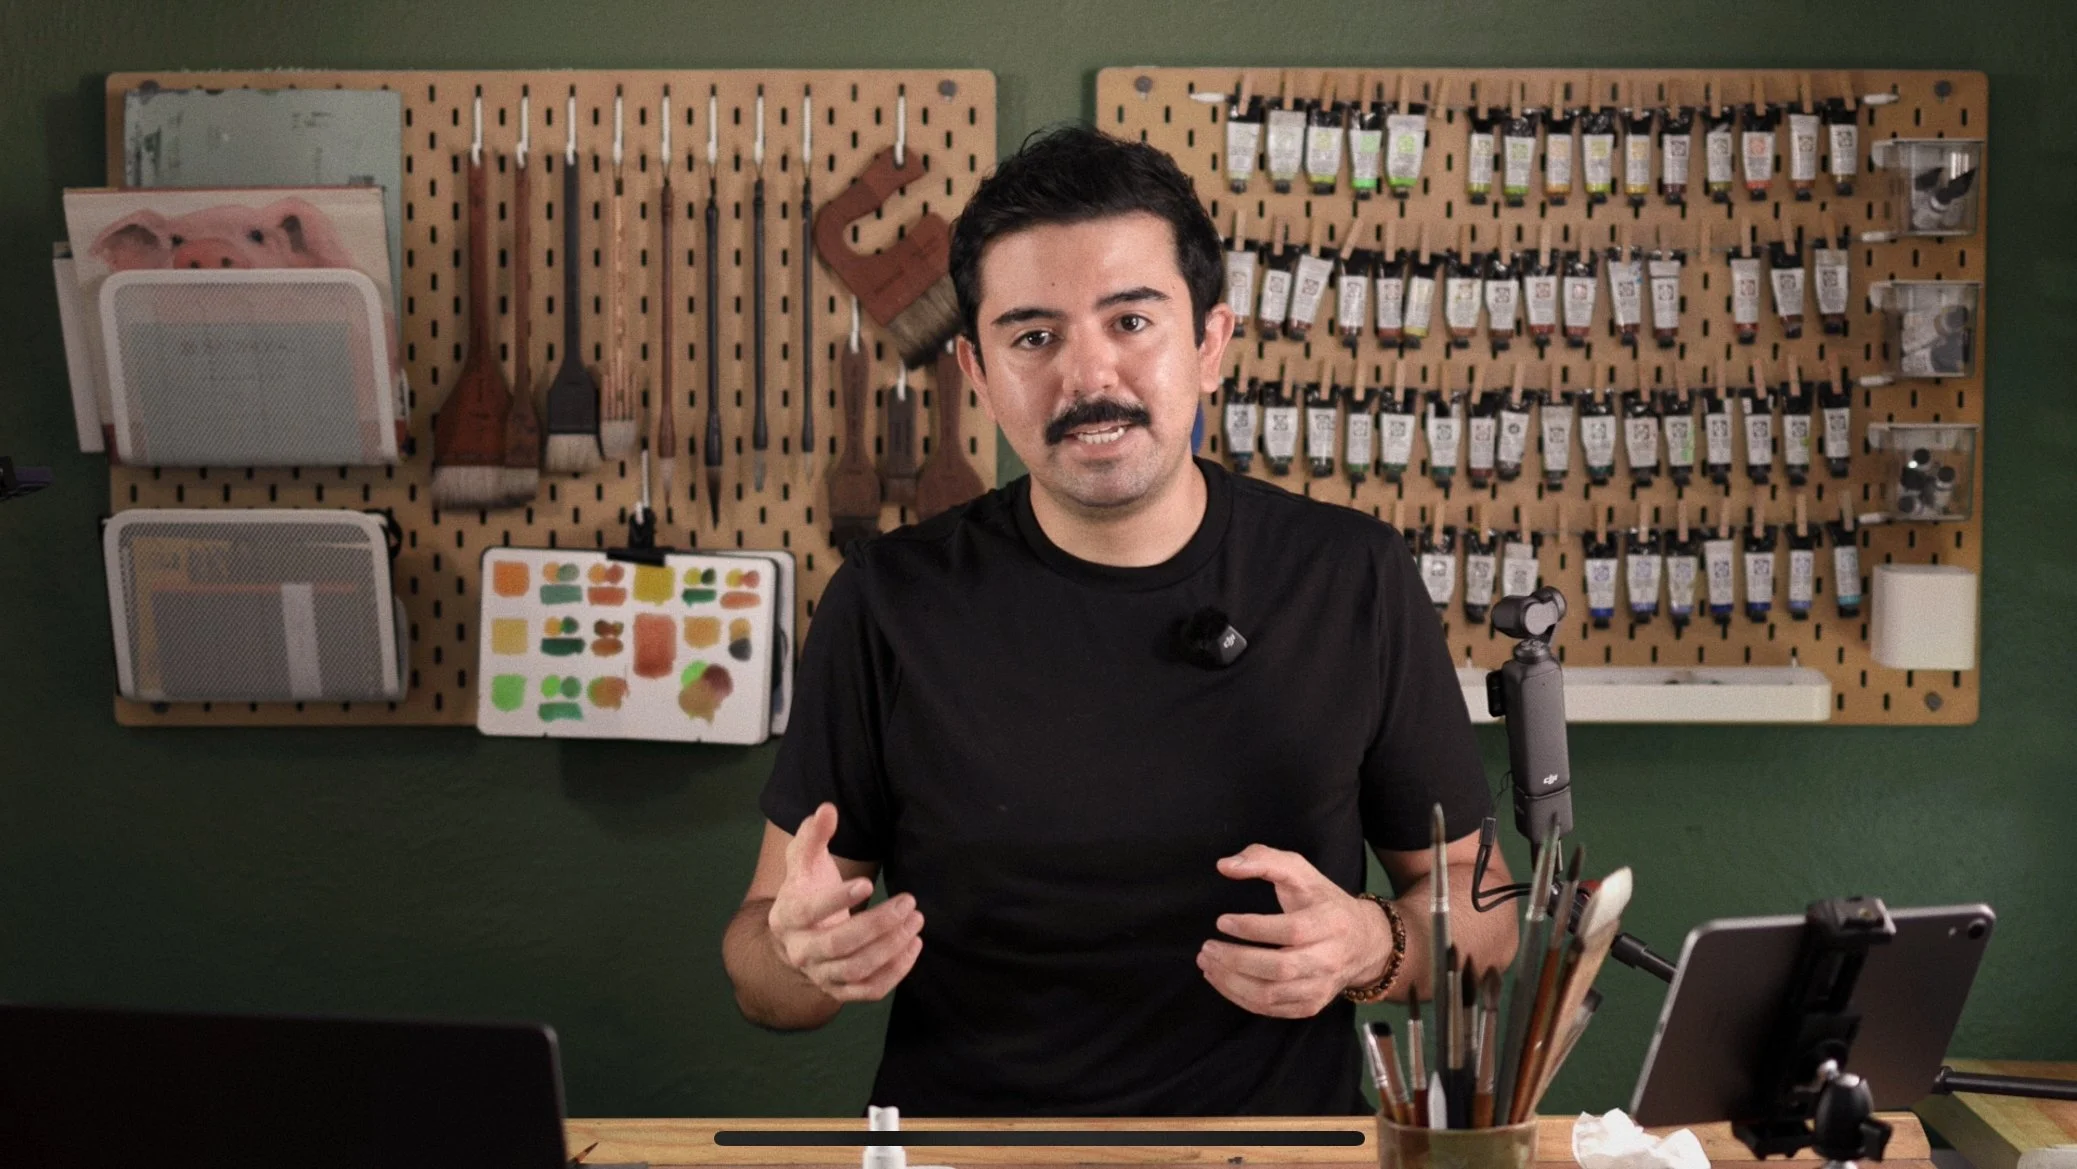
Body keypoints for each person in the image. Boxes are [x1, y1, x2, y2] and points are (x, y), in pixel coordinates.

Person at [721, 124, 1514, 1116]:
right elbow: (762, 970)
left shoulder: (1351, 573)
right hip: (972, 1152)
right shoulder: (889, 598)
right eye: (1034, 335)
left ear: (1209, 343)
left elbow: (1486, 917)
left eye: (1131, 321)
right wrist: (804, 953)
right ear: (976, 371)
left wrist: (1375, 942)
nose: (1086, 376)